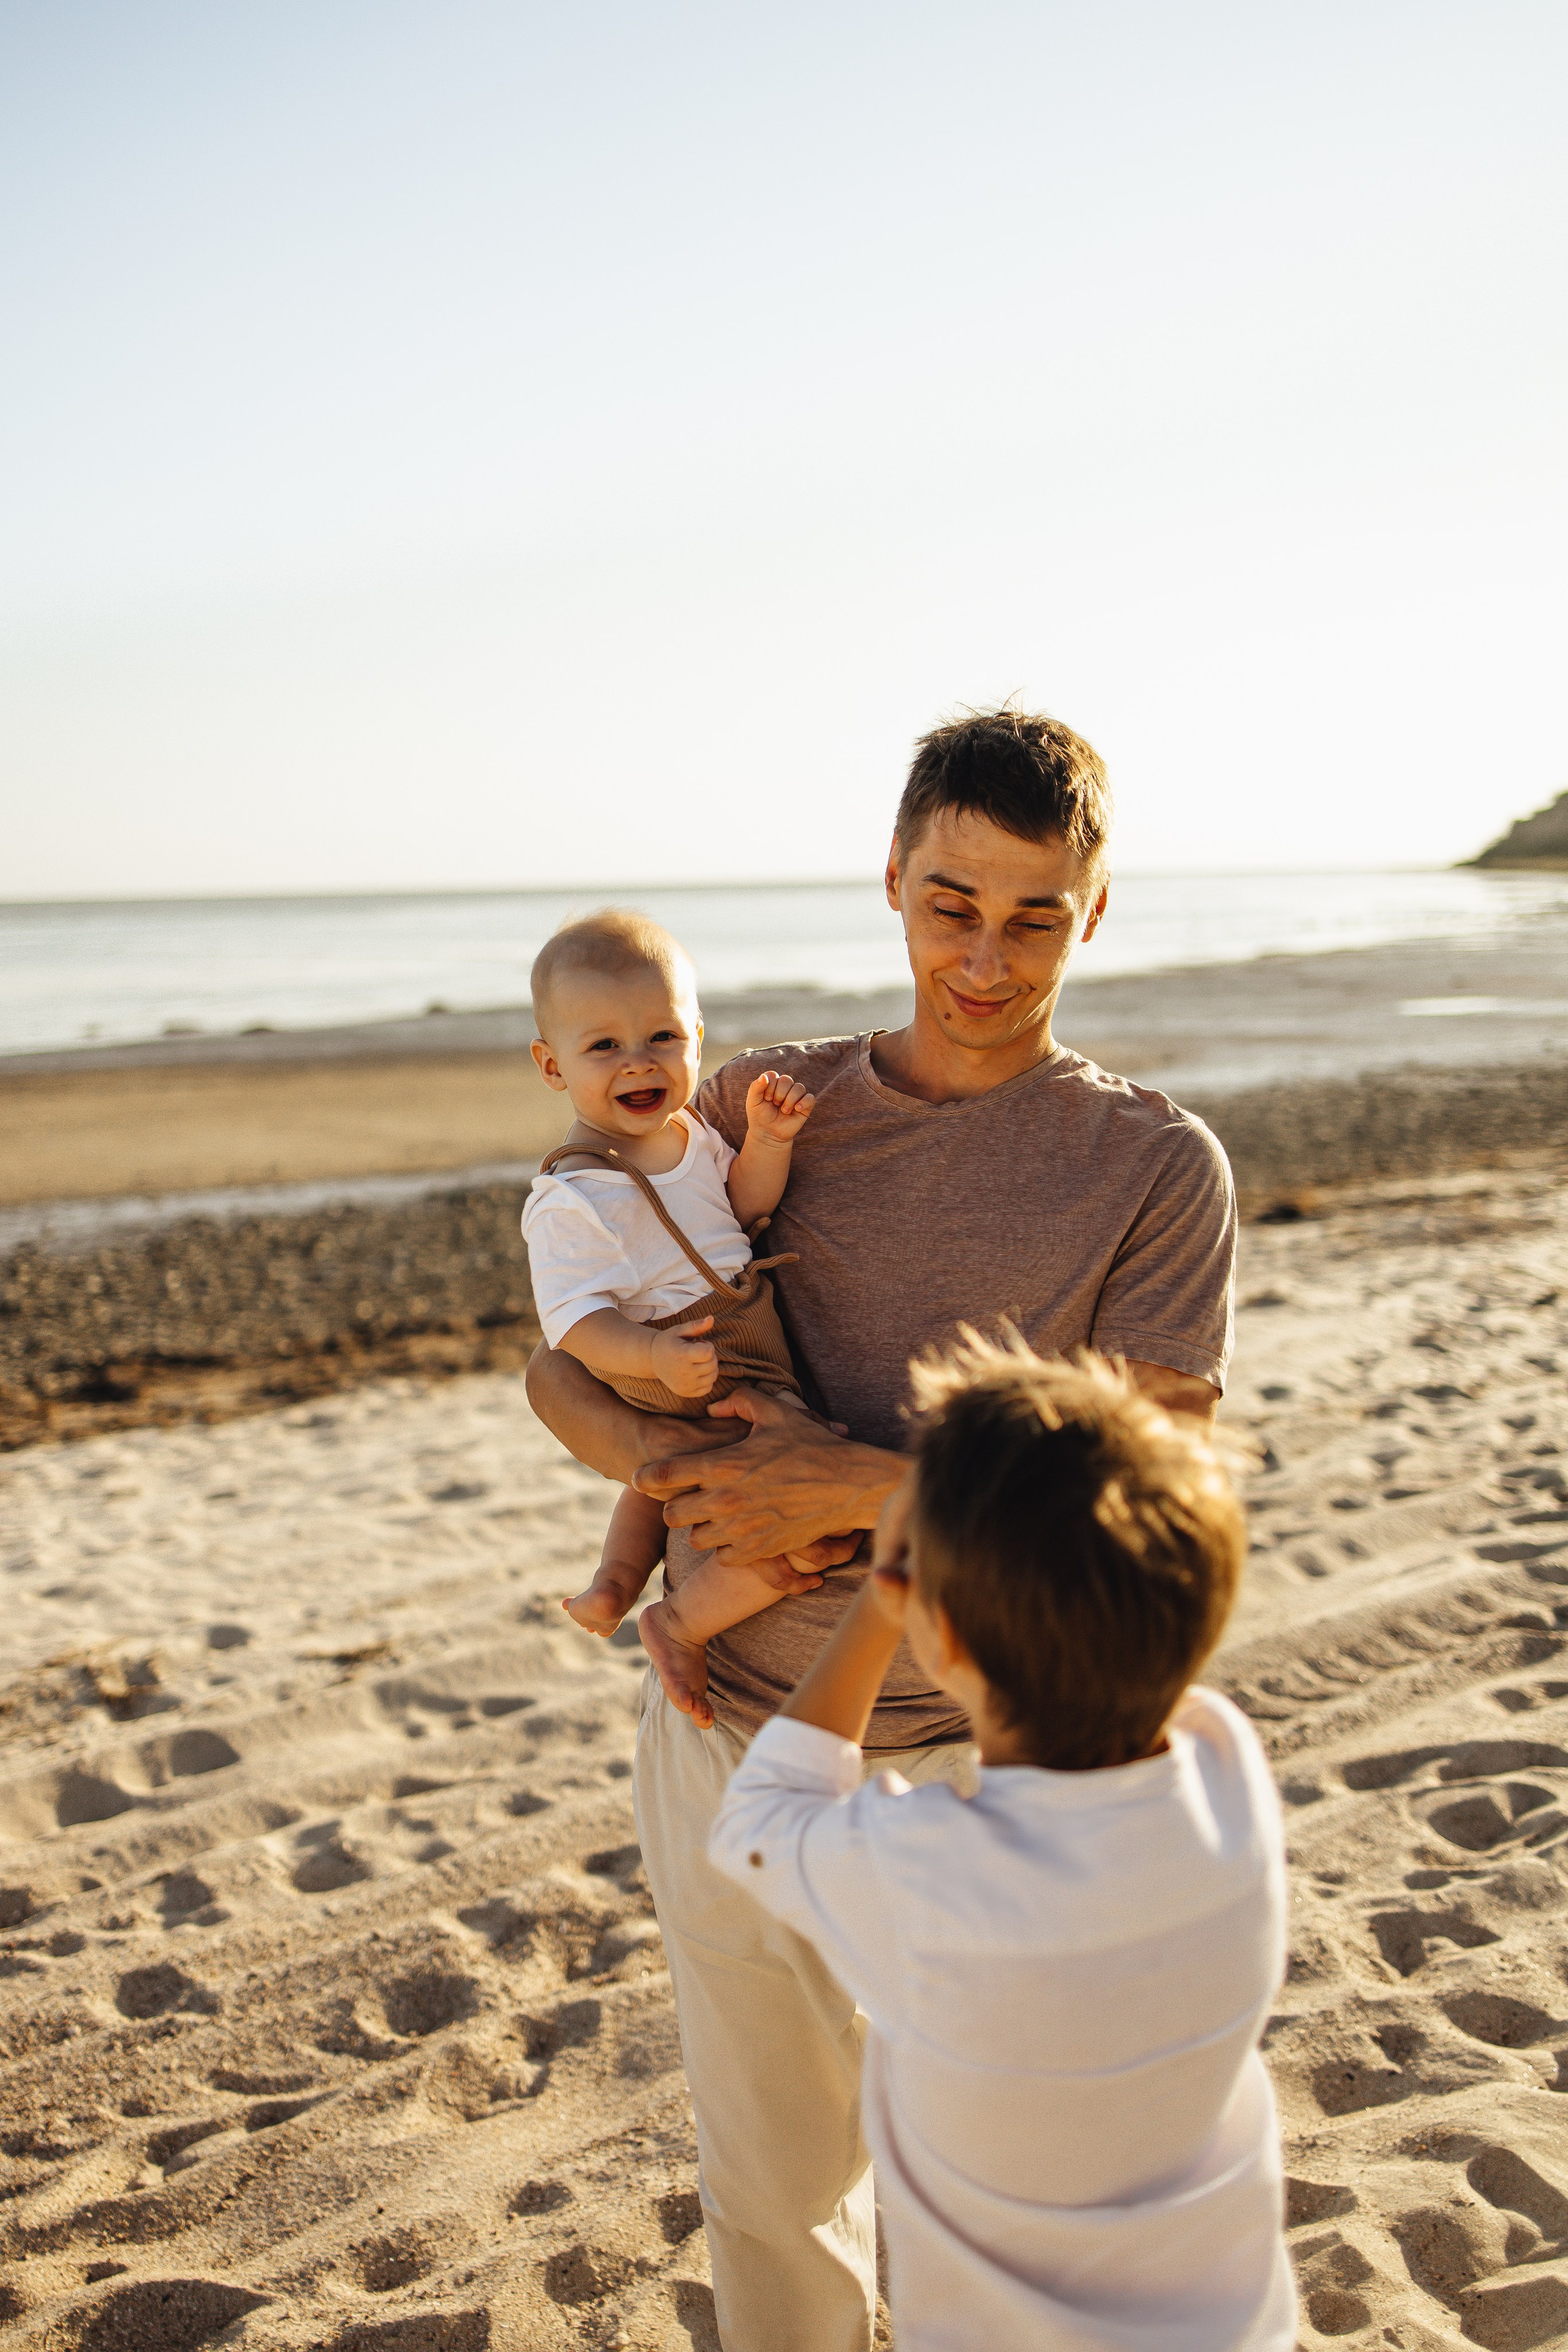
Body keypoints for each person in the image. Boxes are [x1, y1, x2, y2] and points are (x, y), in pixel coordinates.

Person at [526, 706, 1238, 2352]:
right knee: (777, 2195)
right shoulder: (762, 1109)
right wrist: (663, 1466)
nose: (984, 959)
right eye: (951, 905)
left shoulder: (1153, 1166)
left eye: (1034, 915)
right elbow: (550, 1360)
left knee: (1010, 2203)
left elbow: (1151, 1500)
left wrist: (860, 1490)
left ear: (1096, 911)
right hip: (736, 1730)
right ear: (894, 883)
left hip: (1015, 1765)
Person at [709, 1340, 1294, 2352]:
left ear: (951, 1639)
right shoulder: (1226, 1783)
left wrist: (878, 1606)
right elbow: (1150, 1657)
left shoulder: (929, 1872)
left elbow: (761, 1817)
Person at [522, 907, 833, 1723]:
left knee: (661, 1488)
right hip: (667, 1360)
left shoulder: (692, 1137)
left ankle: (614, 1585)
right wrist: (651, 1357)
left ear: (697, 1035)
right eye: (604, 1048)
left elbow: (741, 1212)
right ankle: (680, 1622)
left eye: (662, 1037)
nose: (639, 1063)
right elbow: (572, 1320)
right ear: (552, 1067)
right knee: (813, 1530)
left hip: (740, 1344)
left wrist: (769, 1142)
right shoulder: (574, 1192)